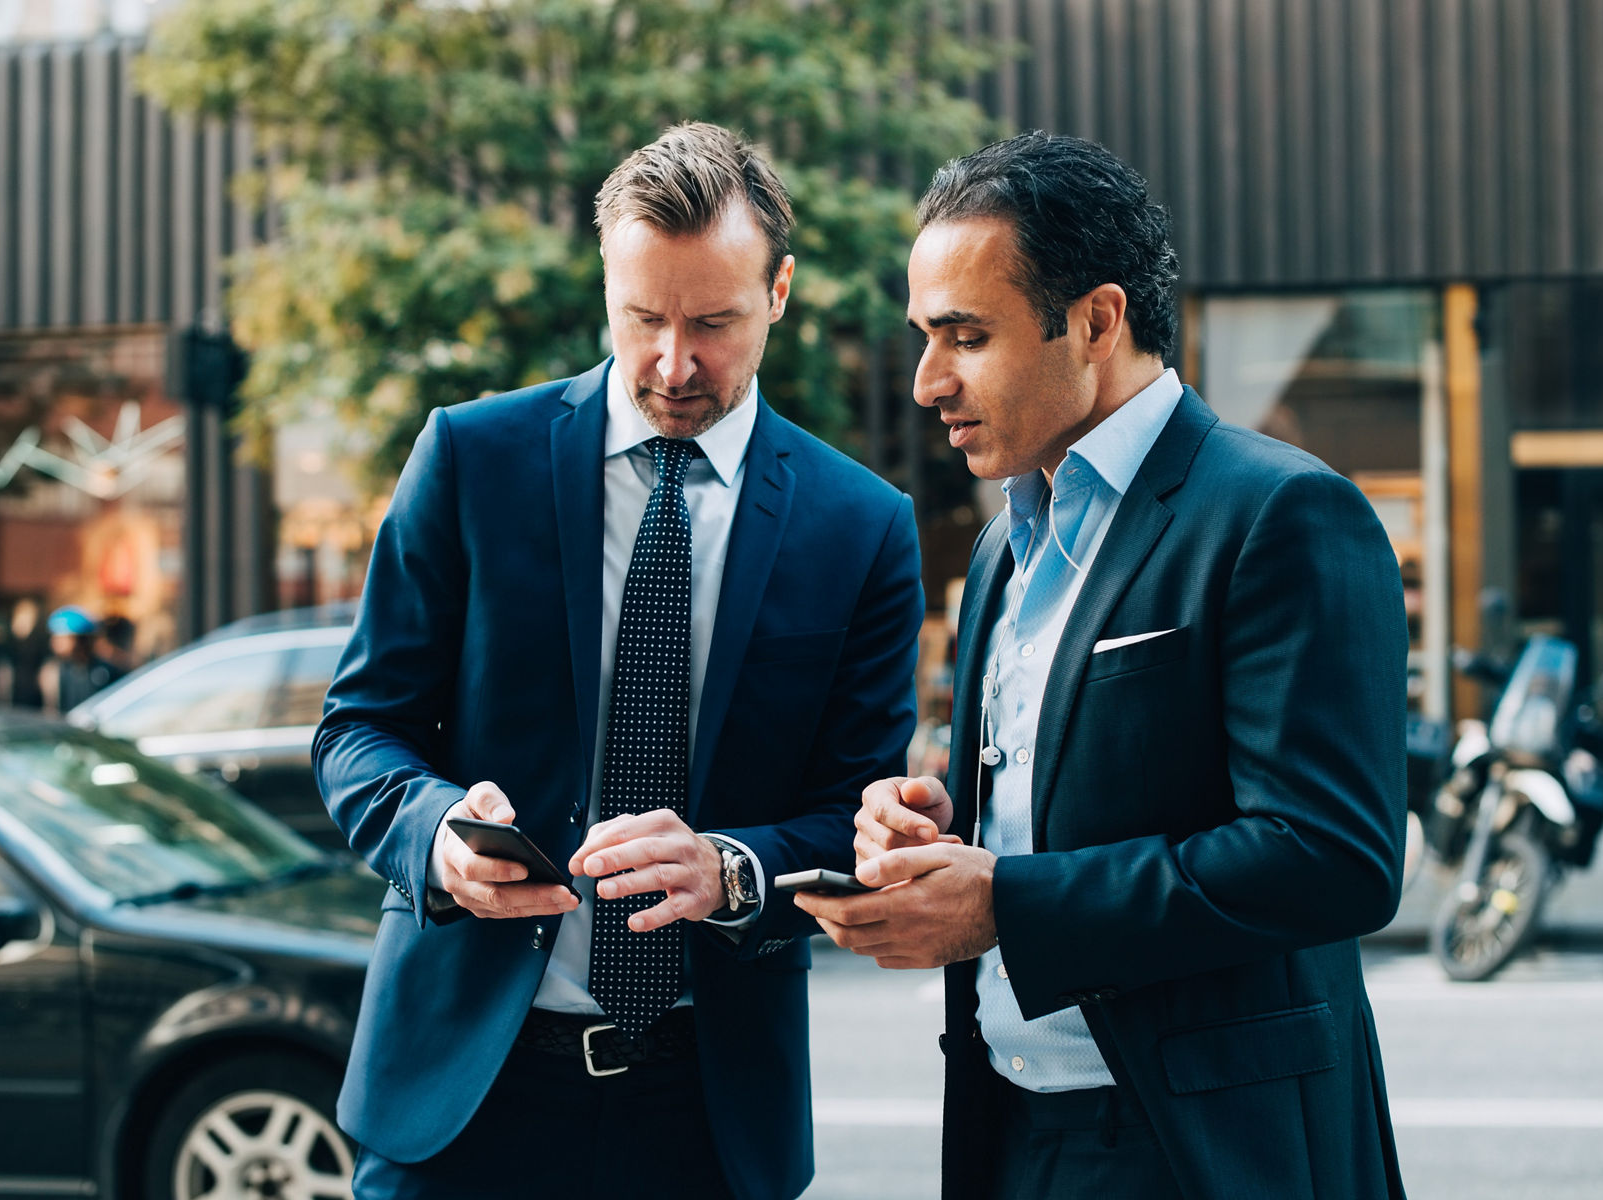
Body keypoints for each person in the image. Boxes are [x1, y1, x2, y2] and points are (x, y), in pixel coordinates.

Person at [313, 122, 924, 1200]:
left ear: (778, 292)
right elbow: (358, 730)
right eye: (642, 317)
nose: (672, 363)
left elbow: (853, 811)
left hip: (703, 1113)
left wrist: (730, 870)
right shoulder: (469, 458)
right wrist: (435, 835)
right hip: (461, 1103)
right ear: (605, 283)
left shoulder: (862, 527)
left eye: (713, 323)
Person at [795, 133, 1408, 1198]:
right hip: (1012, 1134)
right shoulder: (999, 545)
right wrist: (938, 837)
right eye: (922, 339)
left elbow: (1331, 856)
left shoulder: (1278, 513)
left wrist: (1008, 904)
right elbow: (1056, 809)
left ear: (1095, 320)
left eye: (965, 336)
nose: (927, 381)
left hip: (1208, 1150)